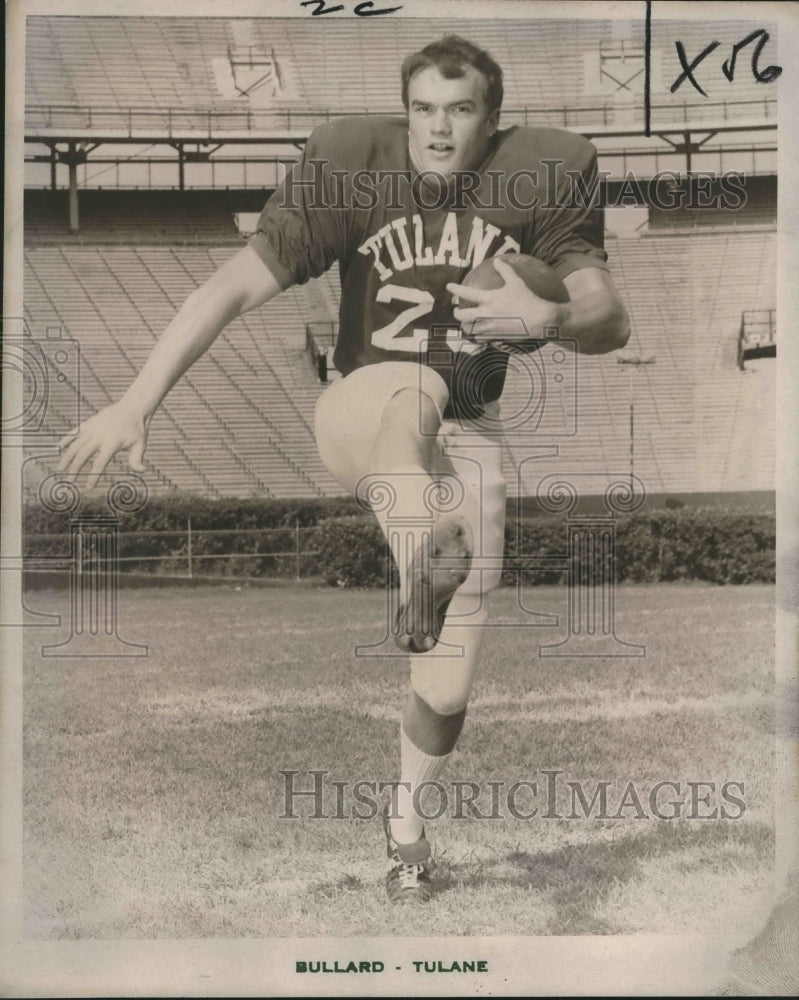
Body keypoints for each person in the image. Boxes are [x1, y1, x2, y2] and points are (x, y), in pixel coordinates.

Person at [58, 35, 629, 904]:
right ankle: (419, 539)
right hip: (360, 404)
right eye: (422, 110)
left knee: (448, 674)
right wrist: (137, 400)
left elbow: (605, 314)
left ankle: (405, 824)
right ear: (404, 114)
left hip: (470, 429)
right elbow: (227, 289)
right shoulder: (348, 164)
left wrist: (539, 319)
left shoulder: (545, 171)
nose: (437, 131)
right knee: (404, 396)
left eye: (460, 109)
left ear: (492, 119)